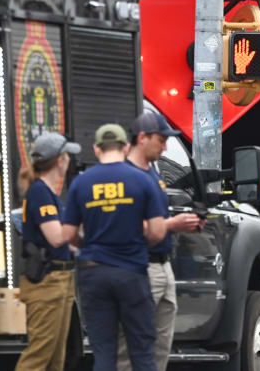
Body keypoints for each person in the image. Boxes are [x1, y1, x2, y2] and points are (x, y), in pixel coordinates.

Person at [62, 124, 168, 371]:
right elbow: (158, 231)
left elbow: (68, 234)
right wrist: (140, 244)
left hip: (93, 274)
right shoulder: (143, 180)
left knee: (104, 353)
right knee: (142, 351)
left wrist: (87, 243)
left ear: (97, 149)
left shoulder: (81, 183)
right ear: (127, 147)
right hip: (132, 272)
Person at [117, 110, 205, 371]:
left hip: (163, 266)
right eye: (161, 139)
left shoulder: (153, 173)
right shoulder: (125, 175)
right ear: (142, 138)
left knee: (160, 347)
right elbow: (123, 226)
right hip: (139, 267)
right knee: (130, 347)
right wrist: (172, 224)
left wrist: (184, 225)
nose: (165, 146)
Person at [15, 131, 80, 371]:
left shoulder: (47, 192)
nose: (69, 161)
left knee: (55, 357)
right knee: (40, 355)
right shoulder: (40, 192)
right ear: (60, 159)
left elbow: (64, 241)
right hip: (47, 282)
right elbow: (55, 237)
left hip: (58, 279)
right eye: (67, 156)